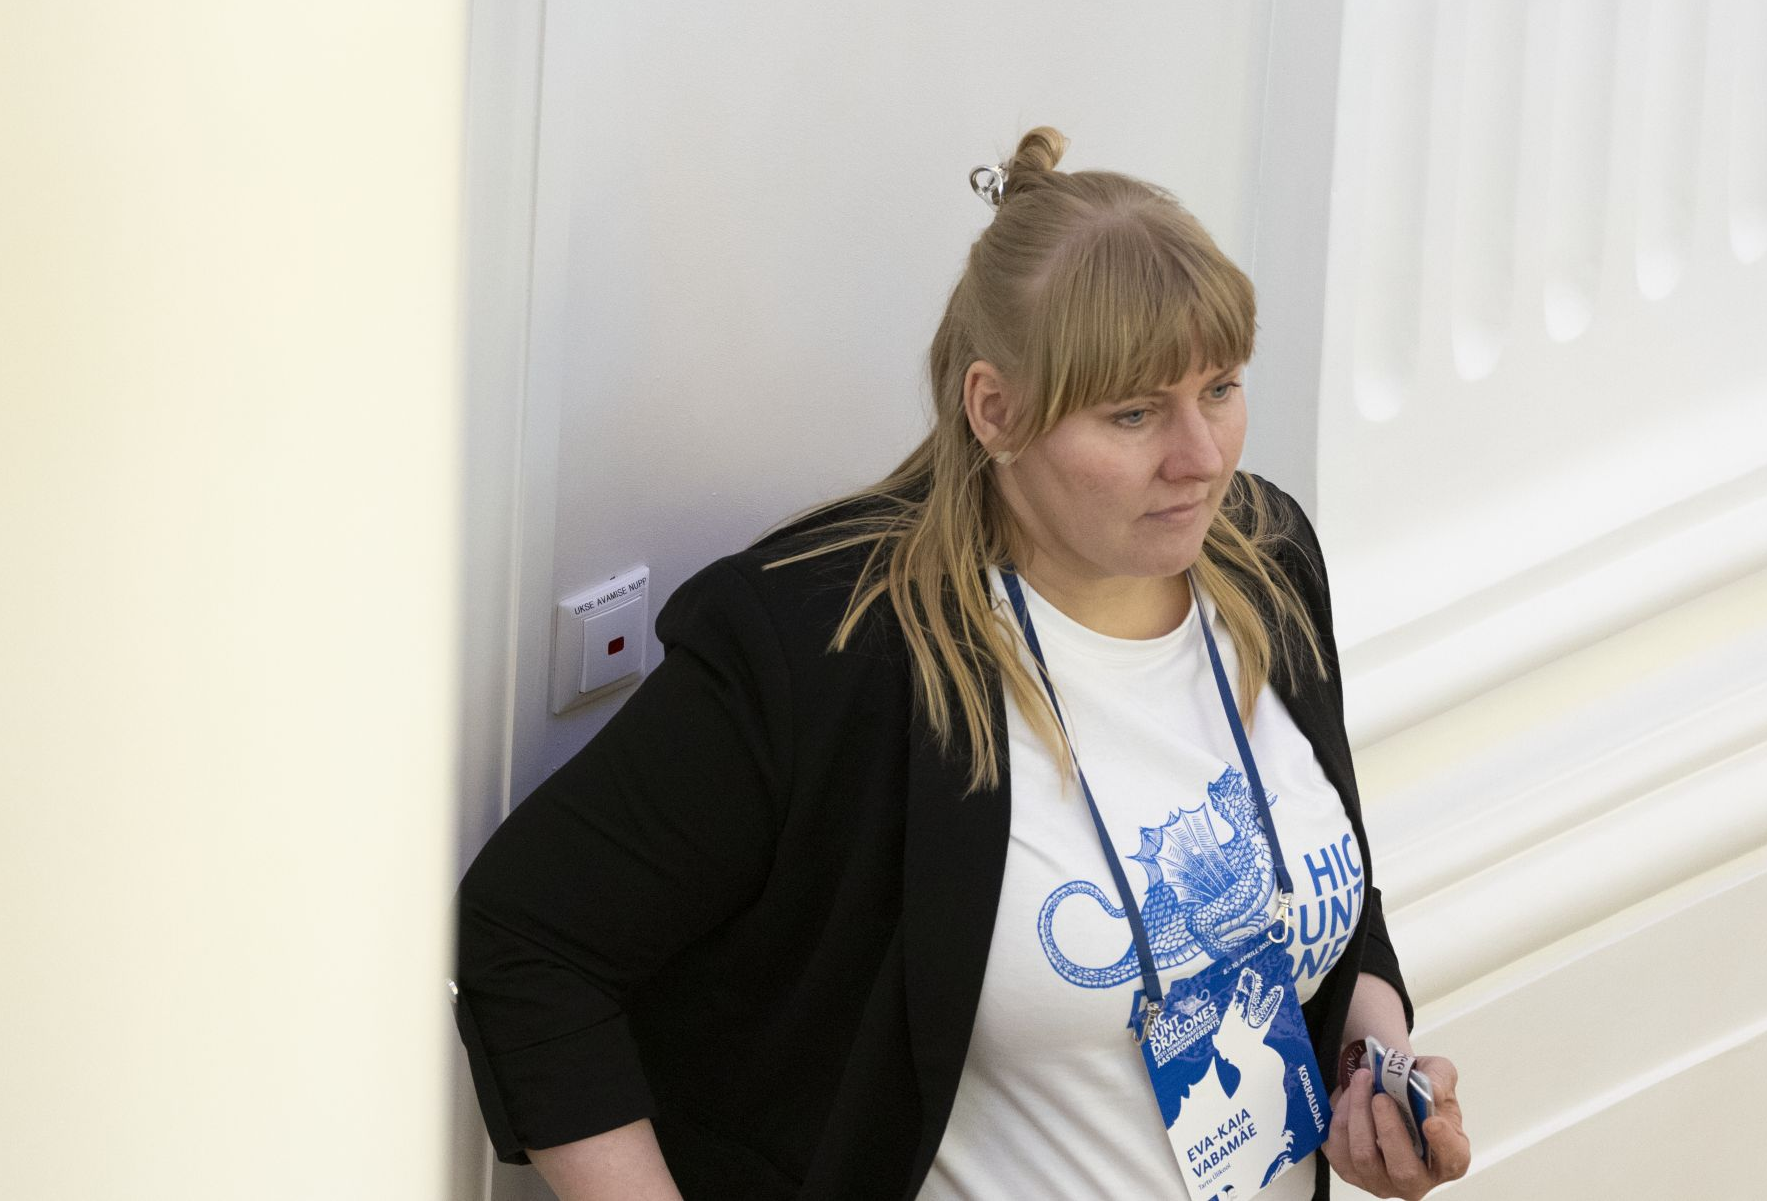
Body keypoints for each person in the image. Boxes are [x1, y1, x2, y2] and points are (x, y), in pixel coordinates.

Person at [452, 126, 1472, 1201]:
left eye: (1218, 388)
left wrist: (1374, 1070)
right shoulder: (829, 649)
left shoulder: (1264, 560)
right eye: (1133, 413)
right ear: (995, 409)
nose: (1202, 457)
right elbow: (529, 940)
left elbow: (1319, 889)